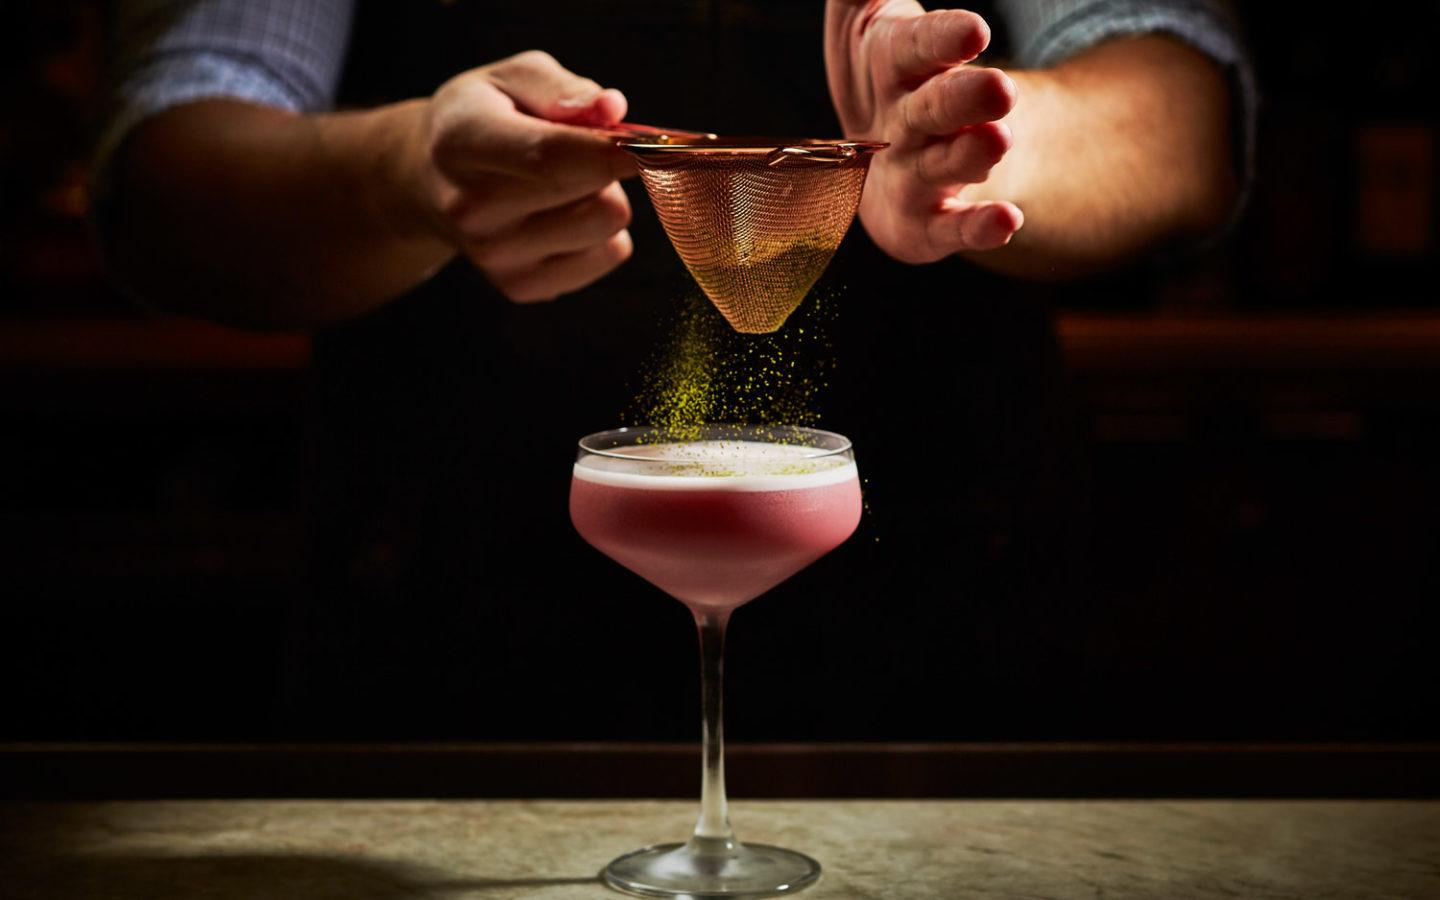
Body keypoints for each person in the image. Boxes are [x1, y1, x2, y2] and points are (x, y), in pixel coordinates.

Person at [97, 1, 1255, 739]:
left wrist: (970, 145)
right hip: (449, 631)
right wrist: (403, 172)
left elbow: (1185, 114)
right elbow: (160, 182)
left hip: (943, 640)